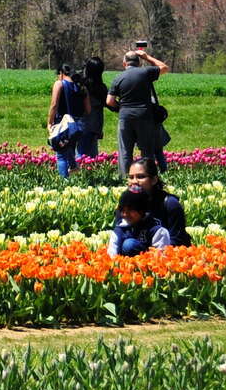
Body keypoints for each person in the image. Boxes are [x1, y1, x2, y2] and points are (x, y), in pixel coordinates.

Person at [107, 47, 171, 176]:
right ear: (139, 62)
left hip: (125, 117)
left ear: (124, 64)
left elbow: (109, 101)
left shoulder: (118, 78)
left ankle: (126, 178)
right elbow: (164, 68)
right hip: (144, 116)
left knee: (125, 151)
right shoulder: (146, 73)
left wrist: (121, 108)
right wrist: (147, 57)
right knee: (147, 150)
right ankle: (147, 177)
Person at [125, 157, 192, 246]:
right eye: (131, 177)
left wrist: (153, 252)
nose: (134, 181)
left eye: (140, 177)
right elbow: (120, 234)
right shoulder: (126, 205)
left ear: (154, 180)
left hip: (165, 252)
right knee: (129, 244)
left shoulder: (170, 204)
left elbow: (177, 241)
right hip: (136, 251)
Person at [47, 65, 88, 179]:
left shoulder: (59, 84)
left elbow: (54, 105)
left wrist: (49, 122)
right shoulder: (81, 86)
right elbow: (88, 109)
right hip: (77, 125)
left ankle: (64, 181)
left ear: (61, 73)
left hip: (63, 124)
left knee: (61, 155)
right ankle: (74, 167)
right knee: (70, 148)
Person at [110, 189, 173, 257]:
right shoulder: (120, 228)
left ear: (142, 211)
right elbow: (112, 253)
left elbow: (161, 257)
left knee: (129, 245)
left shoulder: (157, 230)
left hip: (148, 261)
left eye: (130, 210)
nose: (125, 214)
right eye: (122, 210)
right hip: (123, 262)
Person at [78, 57, 109, 159]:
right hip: (95, 124)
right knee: (92, 155)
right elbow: (109, 104)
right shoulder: (101, 88)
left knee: (82, 154)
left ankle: (79, 169)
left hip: (82, 123)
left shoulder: (81, 85)